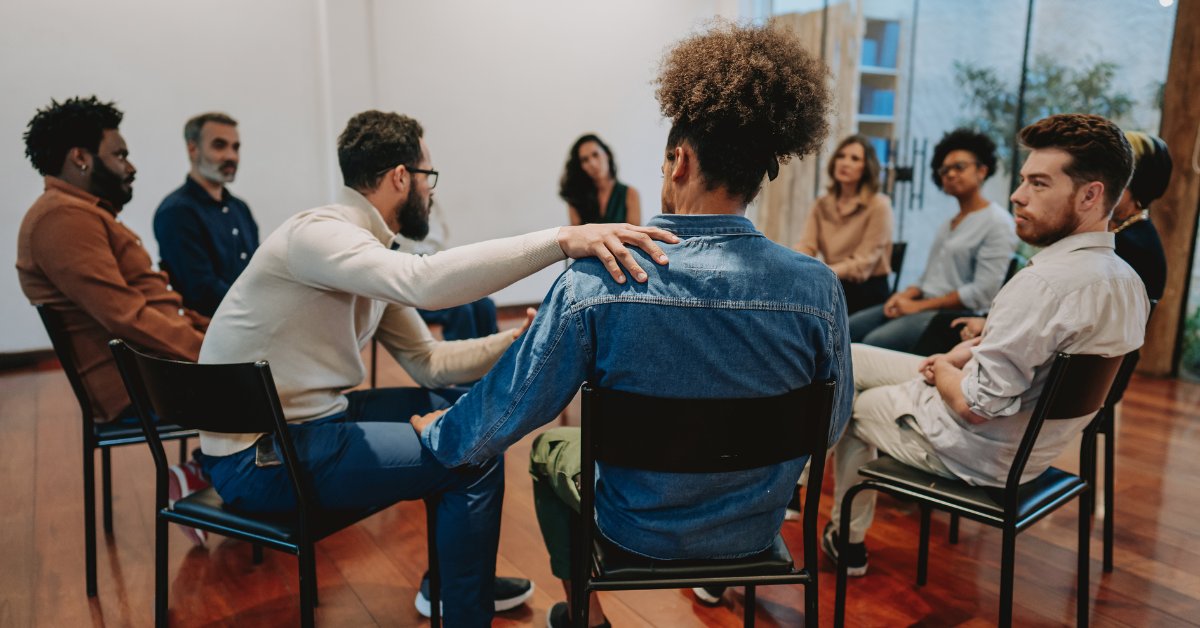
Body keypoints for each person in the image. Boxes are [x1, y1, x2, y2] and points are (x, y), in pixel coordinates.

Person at [411, 22, 850, 627]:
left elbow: (514, 406)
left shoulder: (599, 281)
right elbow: (830, 423)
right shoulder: (818, 289)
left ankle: (585, 617)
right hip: (754, 530)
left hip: (636, 528)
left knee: (549, 449)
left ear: (680, 159)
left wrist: (442, 432)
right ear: (756, 174)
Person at [196, 109, 677, 627]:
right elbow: (424, 282)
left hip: (306, 425)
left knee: (463, 417)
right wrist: (561, 239)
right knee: (470, 450)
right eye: (430, 177)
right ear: (402, 176)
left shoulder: (365, 250)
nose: (432, 191)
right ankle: (460, 604)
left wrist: (516, 339)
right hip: (259, 456)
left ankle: (454, 583)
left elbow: (428, 363)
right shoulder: (319, 235)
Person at [825, 113, 1149, 578]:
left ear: (1090, 195)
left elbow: (974, 407)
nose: (1017, 195)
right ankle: (801, 492)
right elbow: (1036, 357)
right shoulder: (1128, 285)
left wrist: (941, 373)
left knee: (855, 404)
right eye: (1023, 181)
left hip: (978, 450)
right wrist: (966, 352)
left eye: (1038, 183)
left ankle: (841, 538)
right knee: (848, 355)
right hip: (1029, 448)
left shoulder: (1043, 286)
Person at [16, 96, 211, 546]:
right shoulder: (62, 220)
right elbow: (127, 318)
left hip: (153, 366)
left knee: (276, 364)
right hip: (137, 383)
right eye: (119, 155)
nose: (130, 167)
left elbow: (153, 305)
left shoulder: (81, 213)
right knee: (277, 381)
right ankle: (212, 476)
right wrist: (214, 351)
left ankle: (214, 474)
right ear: (80, 158)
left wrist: (220, 329)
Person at [848, 129, 1016, 352]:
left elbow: (981, 292)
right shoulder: (949, 224)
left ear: (982, 170)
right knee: (845, 328)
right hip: (923, 304)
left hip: (953, 316)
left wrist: (917, 307)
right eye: (944, 170)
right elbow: (927, 278)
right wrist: (902, 296)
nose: (950, 174)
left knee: (872, 343)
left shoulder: (998, 222)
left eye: (959, 167)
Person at [154, 112, 260, 317]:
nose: (231, 156)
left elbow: (257, 272)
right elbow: (200, 290)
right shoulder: (177, 211)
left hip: (251, 323)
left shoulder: (240, 208)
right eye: (219, 145)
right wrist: (260, 309)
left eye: (235, 147)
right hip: (207, 334)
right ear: (193, 149)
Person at [796, 134, 894, 314]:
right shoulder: (821, 204)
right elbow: (806, 246)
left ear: (866, 168)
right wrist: (795, 265)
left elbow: (863, 265)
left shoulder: (879, 205)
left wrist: (820, 272)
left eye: (854, 158)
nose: (845, 163)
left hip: (867, 292)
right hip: (833, 283)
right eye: (841, 156)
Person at [393, 198, 500, 340]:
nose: (431, 188)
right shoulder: (395, 208)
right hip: (408, 290)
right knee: (461, 310)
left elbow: (439, 248)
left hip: (433, 279)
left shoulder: (431, 207)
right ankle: (466, 361)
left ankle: (496, 360)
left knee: (485, 305)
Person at [560, 134, 642, 226]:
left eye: (595, 155)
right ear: (581, 167)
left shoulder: (630, 194)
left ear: (607, 154)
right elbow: (576, 238)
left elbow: (635, 236)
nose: (593, 163)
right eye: (585, 160)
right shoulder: (575, 198)